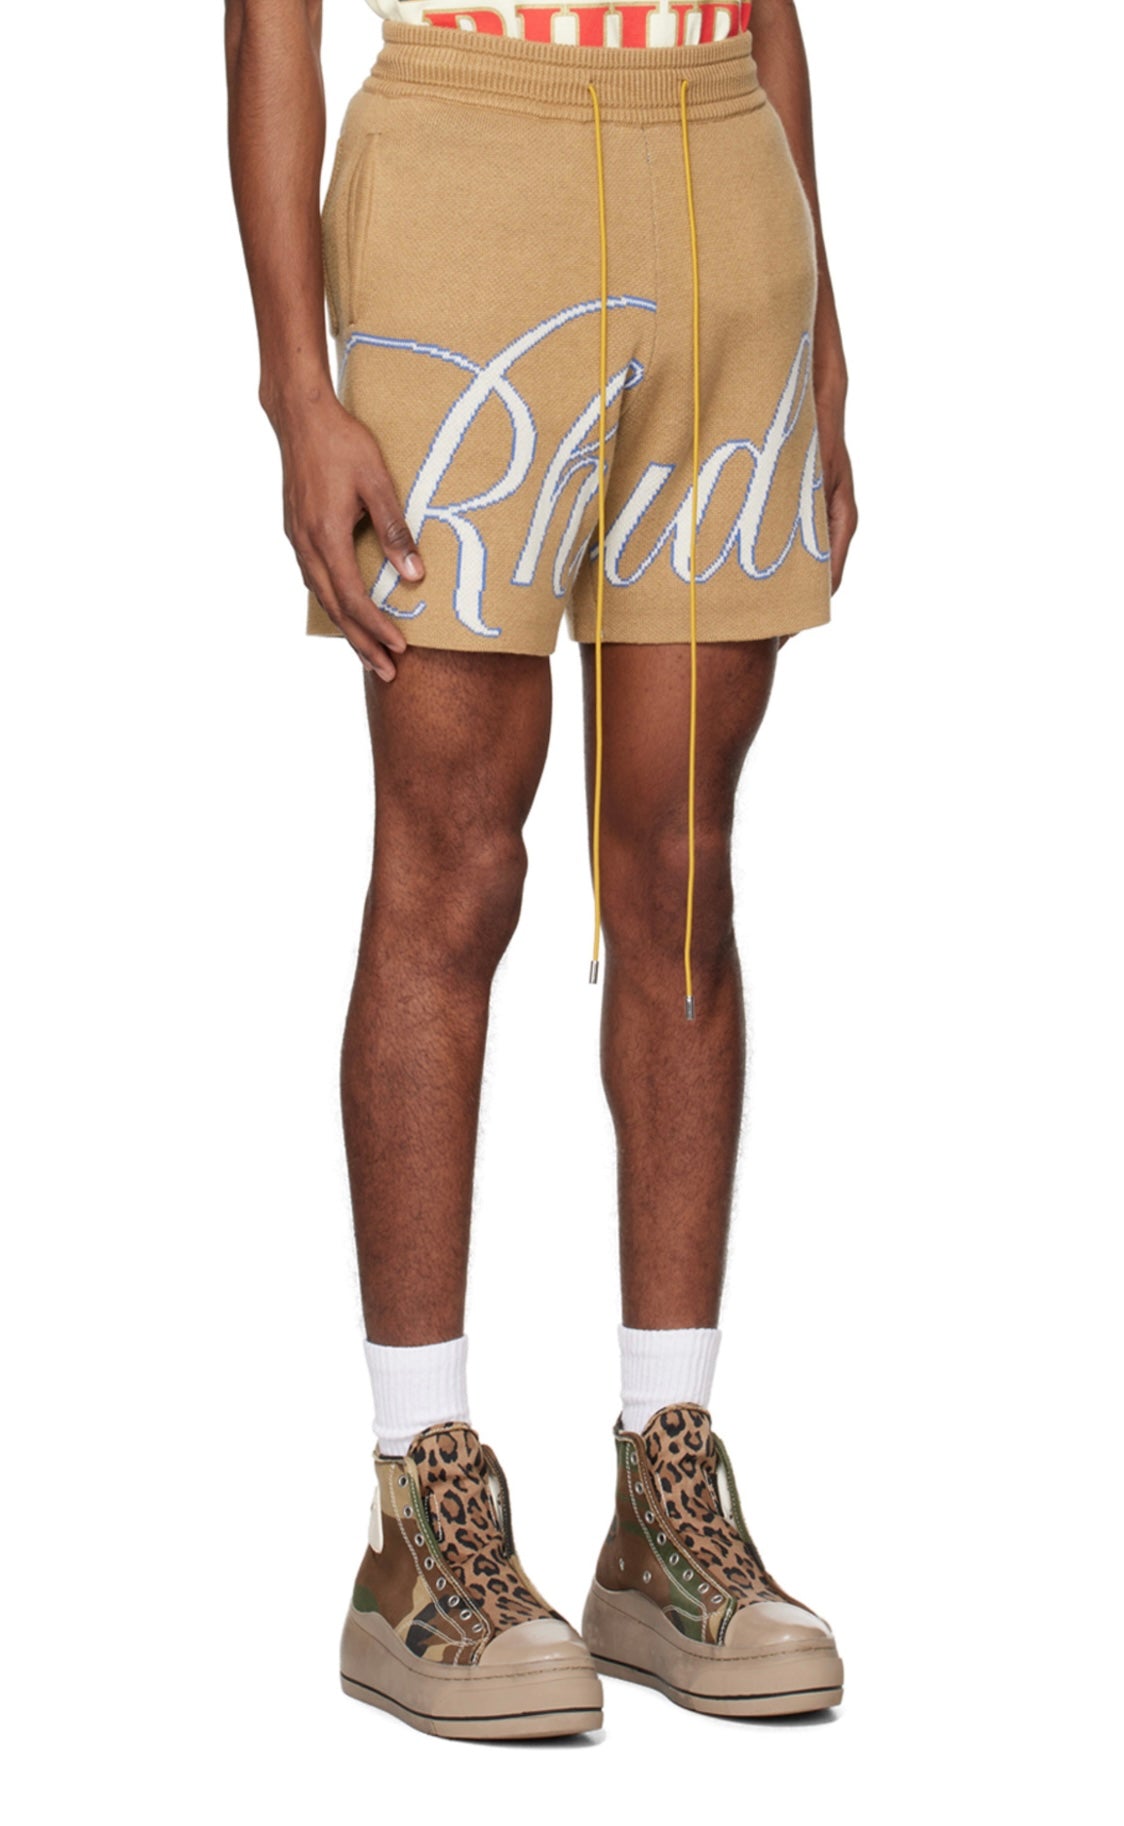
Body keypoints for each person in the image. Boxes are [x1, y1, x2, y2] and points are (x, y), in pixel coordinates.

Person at [225, 0, 858, 1740]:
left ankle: (666, 1500)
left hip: (723, 178)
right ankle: (417, 1514)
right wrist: (294, 386)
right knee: (455, 862)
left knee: (680, 873)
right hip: (461, 170)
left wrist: (822, 323)